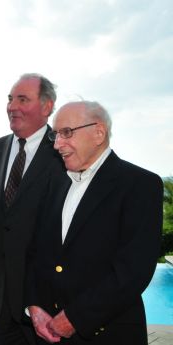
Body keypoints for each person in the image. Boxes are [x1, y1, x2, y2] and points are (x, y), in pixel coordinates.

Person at [25, 101, 163, 344]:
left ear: (98, 133)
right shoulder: (56, 184)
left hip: (108, 335)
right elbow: (37, 251)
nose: (57, 144)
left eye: (66, 133)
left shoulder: (140, 184)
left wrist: (75, 318)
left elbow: (133, 271)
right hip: (47, 335)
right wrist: (34, 305)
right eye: (55, 135)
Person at [0, 73, 65, 345]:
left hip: (47, 303)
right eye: (10, 99)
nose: (11, 106)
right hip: (1, 301)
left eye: (22, 99)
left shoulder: (64, 151)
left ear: (47, 106)